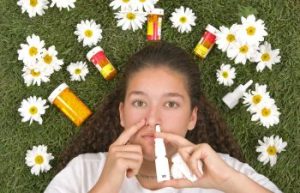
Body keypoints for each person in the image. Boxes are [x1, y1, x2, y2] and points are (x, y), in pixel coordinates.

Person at [45, 42, 282, 193]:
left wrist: (228, 183)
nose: (153, 118)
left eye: (170, 104)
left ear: (192, 117)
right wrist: (105, 187)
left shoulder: (224, 172)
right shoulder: (84, 172)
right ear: (122, 114)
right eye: (139, 102)